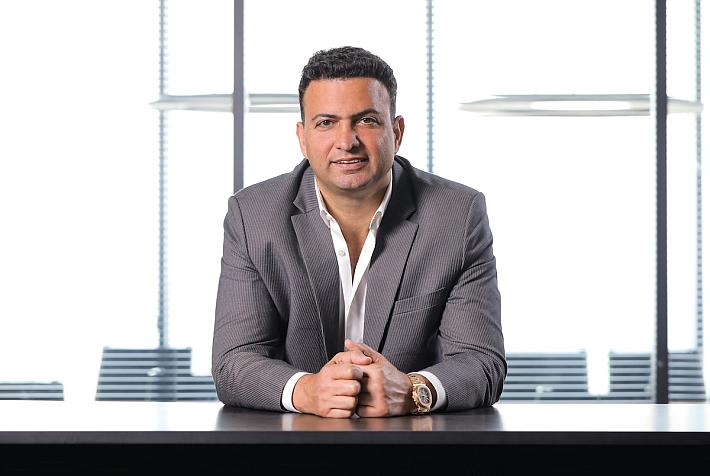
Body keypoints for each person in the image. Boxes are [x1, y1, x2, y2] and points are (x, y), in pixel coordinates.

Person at [212, 46, 505, 418]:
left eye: (366, 120)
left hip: (413, 444)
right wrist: (306, 391)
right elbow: (234, 361)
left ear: (397, 131)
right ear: (302, 138)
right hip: (293, 444)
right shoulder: (253, 216)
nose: (346, 141)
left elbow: (481, 362)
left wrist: (414, 390)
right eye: (326, 122)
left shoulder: (456, 216)